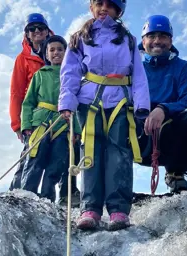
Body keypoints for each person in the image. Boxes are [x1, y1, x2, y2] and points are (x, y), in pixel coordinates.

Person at [58, 0, 150, 231]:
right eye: (99, 3)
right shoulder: (79, 38)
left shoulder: (128, 40)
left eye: (110, 5)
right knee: (90, 150)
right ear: (91, 7)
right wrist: (67, 101)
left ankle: (119, 209)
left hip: (120, 100)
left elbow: (138, 74)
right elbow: (70, 71)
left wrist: (142, 105)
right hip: (89, 100)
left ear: (118, 11)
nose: (103, 9)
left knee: (119, 152)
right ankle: (90, 208)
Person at [8, 13, 80, 204]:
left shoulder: (71, 73)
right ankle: (22, 198)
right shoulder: (26, 62)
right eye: (32, 29)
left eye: (40, 28)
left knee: (59, 162)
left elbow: (78, 102)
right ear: (27, 34)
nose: (37, 31)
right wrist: (20, 125)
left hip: (63, 123)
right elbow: (20, 95)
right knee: (32, 160)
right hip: (38, 121)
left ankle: (56, 198)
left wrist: (77, 130)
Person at [137, 15, 187, 193]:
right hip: (138, 132)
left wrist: (163, 109)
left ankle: (176, 173)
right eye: (152, 36)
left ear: (170, 41)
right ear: (143, 41)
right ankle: (116, 185)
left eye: (162, 36)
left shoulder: (182, 67)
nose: (157, 41)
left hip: (169, 133)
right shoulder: (135, 68)